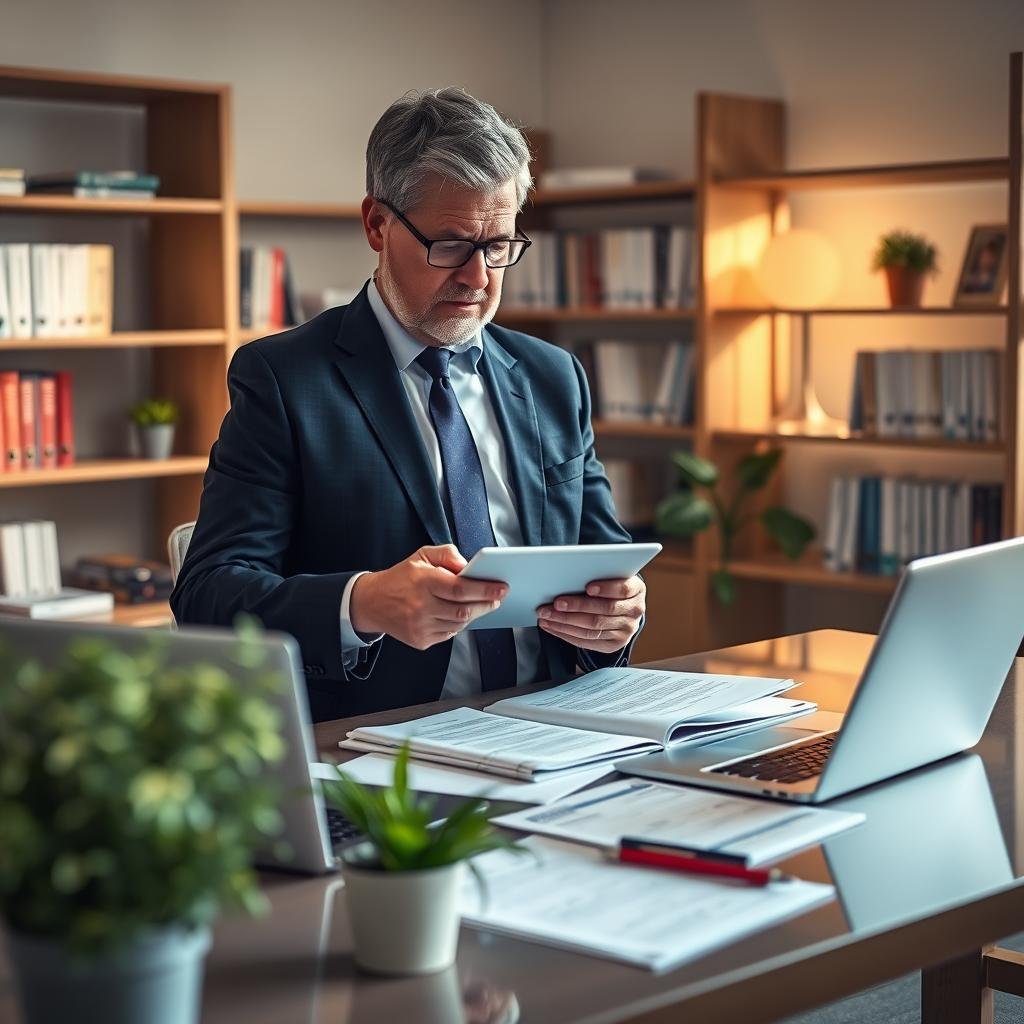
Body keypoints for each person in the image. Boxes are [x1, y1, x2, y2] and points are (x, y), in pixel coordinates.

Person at [171, 88, 646, 722]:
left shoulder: (551, 376)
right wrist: (361, 603)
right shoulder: (284, 380)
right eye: (449, 245)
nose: (478, 277)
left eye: (498, 246)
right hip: (384, 749)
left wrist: (617, 618)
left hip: (557, 730)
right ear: (376, 224)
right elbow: (207, 593)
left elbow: (607, 563)